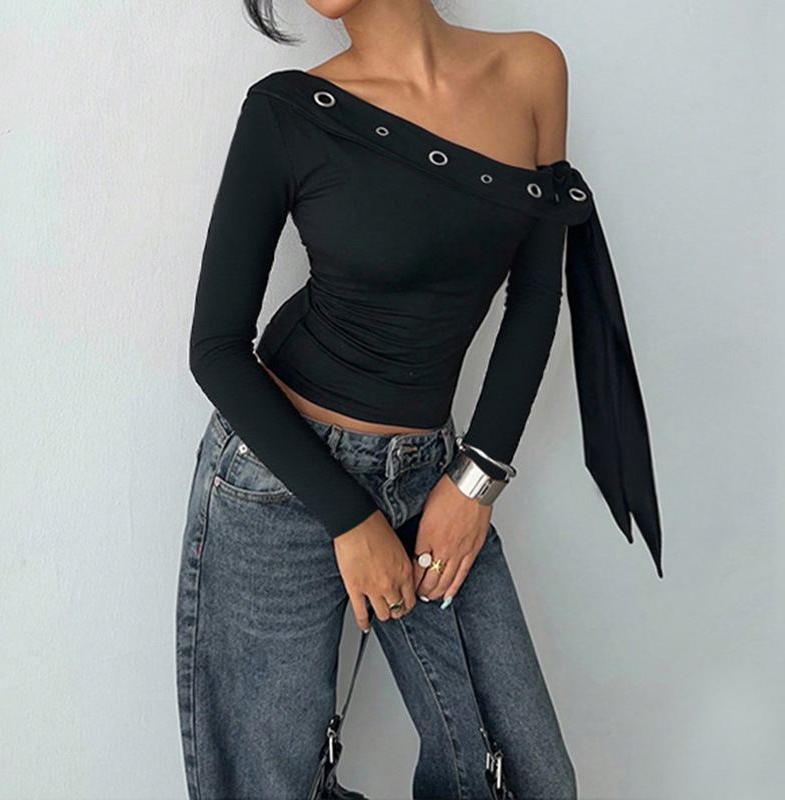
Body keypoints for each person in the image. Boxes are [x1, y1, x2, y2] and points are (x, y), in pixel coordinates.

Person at [175, 1, 664, 798]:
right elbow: (216, 349)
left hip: (431, 476)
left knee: (529, 780)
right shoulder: (286, 112)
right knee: (264, 784)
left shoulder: (531, 69)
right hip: (274, 482)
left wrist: (476, 480)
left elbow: (537, 296)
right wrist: (351, 518)